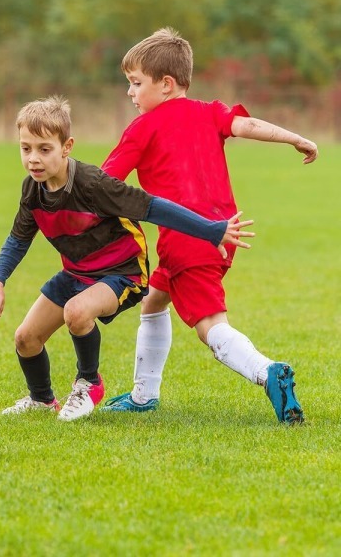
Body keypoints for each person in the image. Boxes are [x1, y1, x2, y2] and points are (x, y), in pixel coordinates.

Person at [0, 95, 254, 422]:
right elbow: (18, 239)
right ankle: (41, 399)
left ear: (67, 147)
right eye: (26, 149)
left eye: (44, 149)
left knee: (77, 312)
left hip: (122, 272)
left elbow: (154, 207)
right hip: (78, 273)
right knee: (26, 338)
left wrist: (211, 229)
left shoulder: (92, 184)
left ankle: (89, 383)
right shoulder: (32, 190)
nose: (33, 159)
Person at [100, 27, 318, 424]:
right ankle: (144, 394)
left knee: (210, 327)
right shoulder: (209, 111)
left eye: (135, 83)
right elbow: (247, 127)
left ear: (166, 84)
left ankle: (267, 372)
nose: (130, 93)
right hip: (223, 231)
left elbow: (105, 183)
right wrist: (296, 138)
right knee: (153, 301)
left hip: (188, 238)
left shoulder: (142, 128)